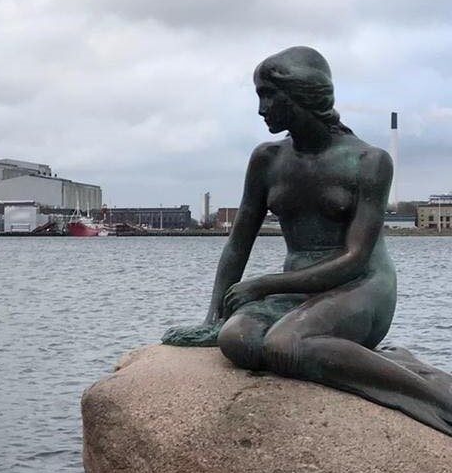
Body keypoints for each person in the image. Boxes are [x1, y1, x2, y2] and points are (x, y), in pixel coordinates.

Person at [163, 46, 452, 435]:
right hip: (298, 291)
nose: (262, 109)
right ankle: (365, 359)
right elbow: (238, 244)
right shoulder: (266, 159)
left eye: (269, 95)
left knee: (286, 344)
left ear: (302, 95)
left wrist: (264, 285)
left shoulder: (370, 161)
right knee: (237, 340)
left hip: (361, 286)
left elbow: (355, 257)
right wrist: (213, 318)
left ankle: (434, 396)